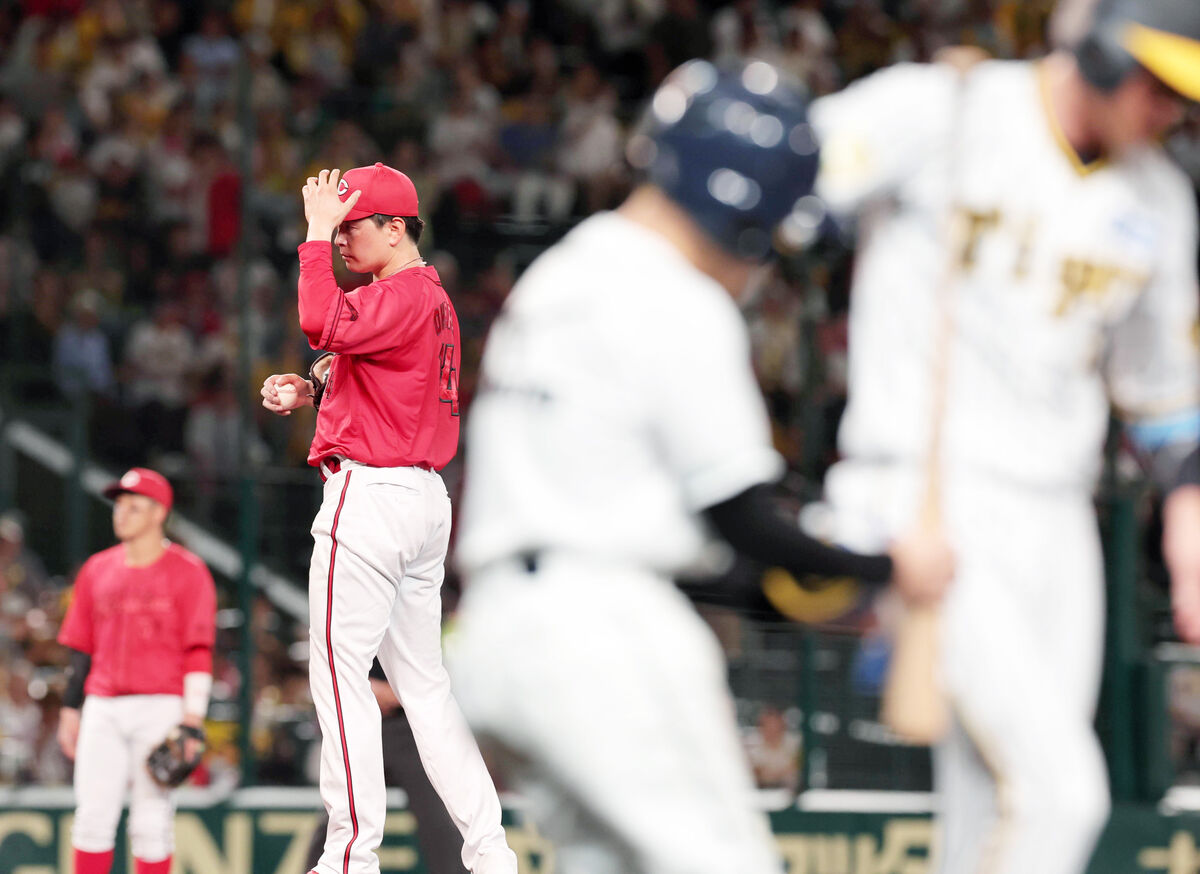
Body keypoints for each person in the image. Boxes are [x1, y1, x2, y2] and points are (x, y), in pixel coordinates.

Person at [445, 59, 954, 873]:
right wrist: (889, 566)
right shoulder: (675, 296)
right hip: (601, 632)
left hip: (499, 637)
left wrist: (830, 584)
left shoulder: (562, 272)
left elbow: (700, 546)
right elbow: (745, 520)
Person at [807, 1, 1200, 871]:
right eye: (1158, 84)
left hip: (1058, 513)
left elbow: (1163, 397)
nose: (1171, 111)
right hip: (928, 489)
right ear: (1097, 52)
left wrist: (1187, 526)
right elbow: (778, 180)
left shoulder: (1162, 199)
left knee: (992, 804)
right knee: (1063, 794)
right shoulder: (947, 108)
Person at [260, 163, 516, 874]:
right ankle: (492, 856)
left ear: (397, 228)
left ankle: (348, 858)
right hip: (420, 500)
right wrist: (309, 389)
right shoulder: (423, 298)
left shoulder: (401, 292)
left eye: (353, 227)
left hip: (370, 498)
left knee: (339, 677)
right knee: (425, 689)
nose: (341, 239)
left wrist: (311, 235)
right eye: (336, 230)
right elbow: (364, 369)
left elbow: (321, 320)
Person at [56, 467, 217, 874]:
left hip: (161, 705)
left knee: (151, 823)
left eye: (134, 506)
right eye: (119, 505)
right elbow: (82, 650)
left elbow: (198, 650)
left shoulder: (188, 570)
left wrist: (193, 720)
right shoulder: (96, 569)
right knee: (91, 819)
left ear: (159, 512)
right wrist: (70, 710)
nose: (121, 513)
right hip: (103, 705)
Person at [302, 661, 469, 874]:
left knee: (438, 818)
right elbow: (325, 658)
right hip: (359, 718)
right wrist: (361, 686)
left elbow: (448, 662)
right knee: (341, 816)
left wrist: (397, 693)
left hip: (411, 724)